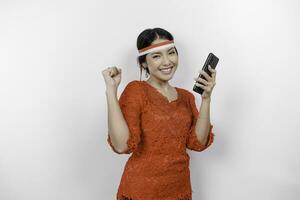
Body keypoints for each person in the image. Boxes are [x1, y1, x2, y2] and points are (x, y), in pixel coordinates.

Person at [102, 27, 217, 200]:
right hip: (142, 191)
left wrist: (206, 99)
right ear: (143, 63)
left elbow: (198, 143)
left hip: (179, 189)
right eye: (156, 56)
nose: (167, 61)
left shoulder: (186, 97)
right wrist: (111, 91)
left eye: (171, 53)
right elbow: (121, 145)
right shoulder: (137, 90)